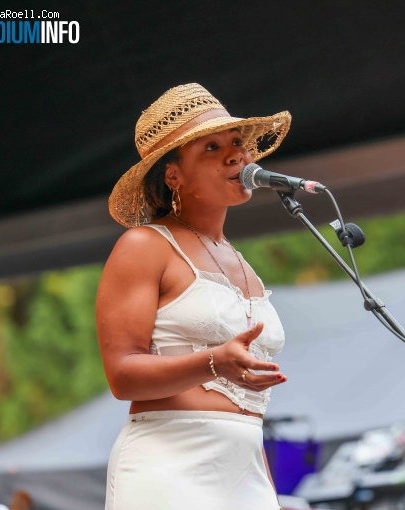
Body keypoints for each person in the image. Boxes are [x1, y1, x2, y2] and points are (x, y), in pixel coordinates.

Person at [97, 83, 292, 509]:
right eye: (211, 147)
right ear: (174, 175)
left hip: (246, 469)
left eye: (237, 142)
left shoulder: (242, 265)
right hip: (169, 464)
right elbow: (121, 374)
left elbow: (245, 412)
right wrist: (213, 362)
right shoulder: (145, 246)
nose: (235, 154)